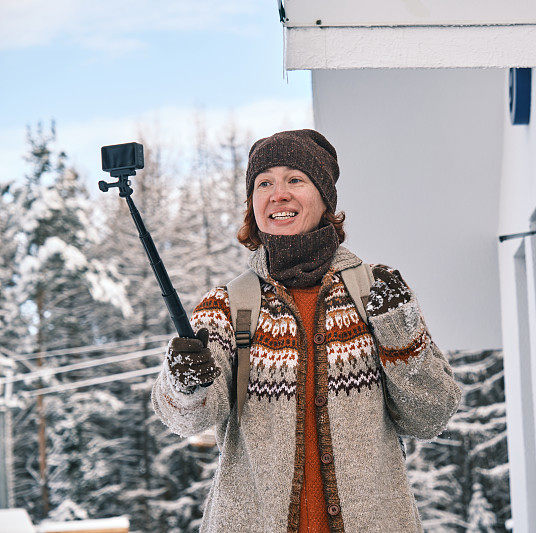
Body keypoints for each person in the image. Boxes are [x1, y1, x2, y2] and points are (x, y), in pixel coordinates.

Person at [150, 128, 462, 533]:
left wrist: (402, 340)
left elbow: (431, 416)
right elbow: (187, 419)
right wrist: (184, 384)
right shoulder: (226, 307)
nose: (278, 194)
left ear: (325, 198)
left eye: (295, 179)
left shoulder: (376, 293)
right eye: (264, 184)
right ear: (253, 204)